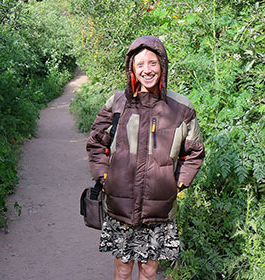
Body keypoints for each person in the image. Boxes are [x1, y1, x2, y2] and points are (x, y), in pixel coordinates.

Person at [86, 36, 205, 280]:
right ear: (132, 68)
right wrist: (104, 176)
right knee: (122, 270)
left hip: (159, 208)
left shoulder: (181, 108)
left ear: (162, 65)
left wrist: (177, 183)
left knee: (150, 272)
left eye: (152, 63)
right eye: (140, 64)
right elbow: (96, 143)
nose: (146, 70)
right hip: (121, 205)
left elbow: (194, 152)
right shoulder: (117, 103)